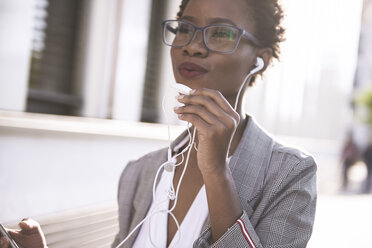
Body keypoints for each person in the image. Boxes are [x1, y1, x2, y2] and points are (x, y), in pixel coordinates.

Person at [1, 0, 317, 247]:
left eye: (220, 32)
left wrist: (217, 174)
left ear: (258, 59)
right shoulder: (141, 173)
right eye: (184, 28)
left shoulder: (290, 174)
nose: (192, 45)